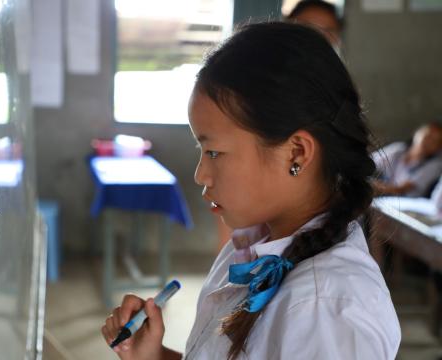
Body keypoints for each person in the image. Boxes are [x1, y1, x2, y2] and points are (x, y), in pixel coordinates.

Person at [101, 22, 401, 359]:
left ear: (296, 153)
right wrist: (154, 356)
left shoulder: (325, 308)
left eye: (214, 152)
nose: (201, 174)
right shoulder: (250, 247)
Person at [372, 123, 442, 198]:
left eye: (435, 141)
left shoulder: (434, 165)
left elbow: (401, 189)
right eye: (428, 135)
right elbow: (370, 162)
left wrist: (375, 187)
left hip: (405, 202)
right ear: (417, 133)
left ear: (439, 148)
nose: (429, 141)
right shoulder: (398, 150)